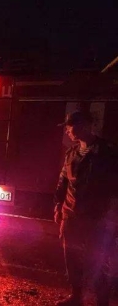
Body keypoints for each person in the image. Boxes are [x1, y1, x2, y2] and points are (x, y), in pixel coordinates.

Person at [54, 110, 118, 306]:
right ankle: (76, 296)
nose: (67, 130)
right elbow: (63, 182)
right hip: (71, 214)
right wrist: (58, 206)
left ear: (86, 126)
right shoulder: (71, 153)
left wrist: (112, 215)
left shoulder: (108, 153)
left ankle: (102, 301)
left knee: (98, 260)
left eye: (70, 126)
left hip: (97, 217)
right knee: (71, 257)